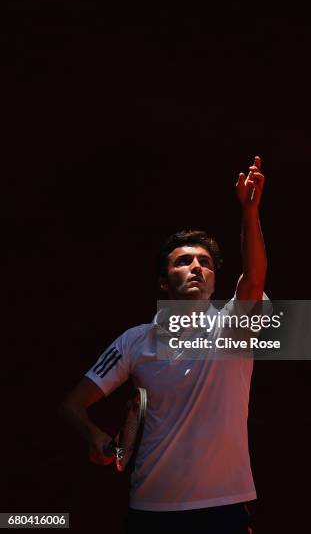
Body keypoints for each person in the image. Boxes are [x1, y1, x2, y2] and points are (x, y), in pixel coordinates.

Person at [60, 156, 267, 533]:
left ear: (214, 279)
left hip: (222, 508)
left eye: (205, 262)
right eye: (183, 261)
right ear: (162, 282)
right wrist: (94, 435)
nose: (196, 268)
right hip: (150, 510)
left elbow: (253, 279)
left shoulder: (233, 326)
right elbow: (73, 404)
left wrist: (250, 212)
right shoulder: (134, 341)